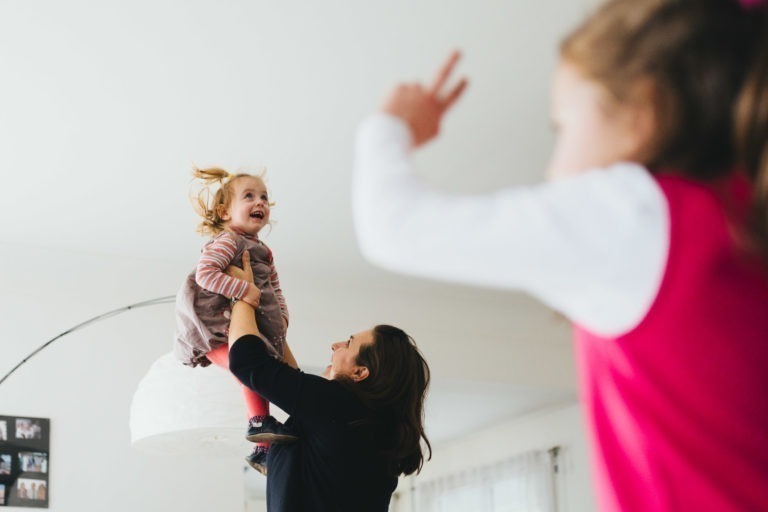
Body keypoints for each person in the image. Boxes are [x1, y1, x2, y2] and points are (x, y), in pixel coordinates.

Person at [352, 1, 768, 511]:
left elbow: (392, 227)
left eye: (562, 127)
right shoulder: (743, 212)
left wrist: (391, 125)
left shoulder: (636, 217)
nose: (552, 170)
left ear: (644, 111)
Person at [226, 251, 431, 511]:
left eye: (348, 343)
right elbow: (291, 382)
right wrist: (271, 324)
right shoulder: (369, 428)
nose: (335, 345)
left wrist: (242, 295)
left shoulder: (339, 407)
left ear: (360, 372)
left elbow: (246, 361)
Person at [174, 167, 298, 474]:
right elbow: (206, 273)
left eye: (264, 197)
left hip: (238, 327)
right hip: (214, 329)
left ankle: (262, 449)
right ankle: (258, 425)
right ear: (224, 212)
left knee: (256, 372)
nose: (260, 202)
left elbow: (274, 286)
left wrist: (281, 314)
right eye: (249, 196)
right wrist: (245, 290)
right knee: (250, 370)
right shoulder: (229, 241)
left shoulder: (263, 251)